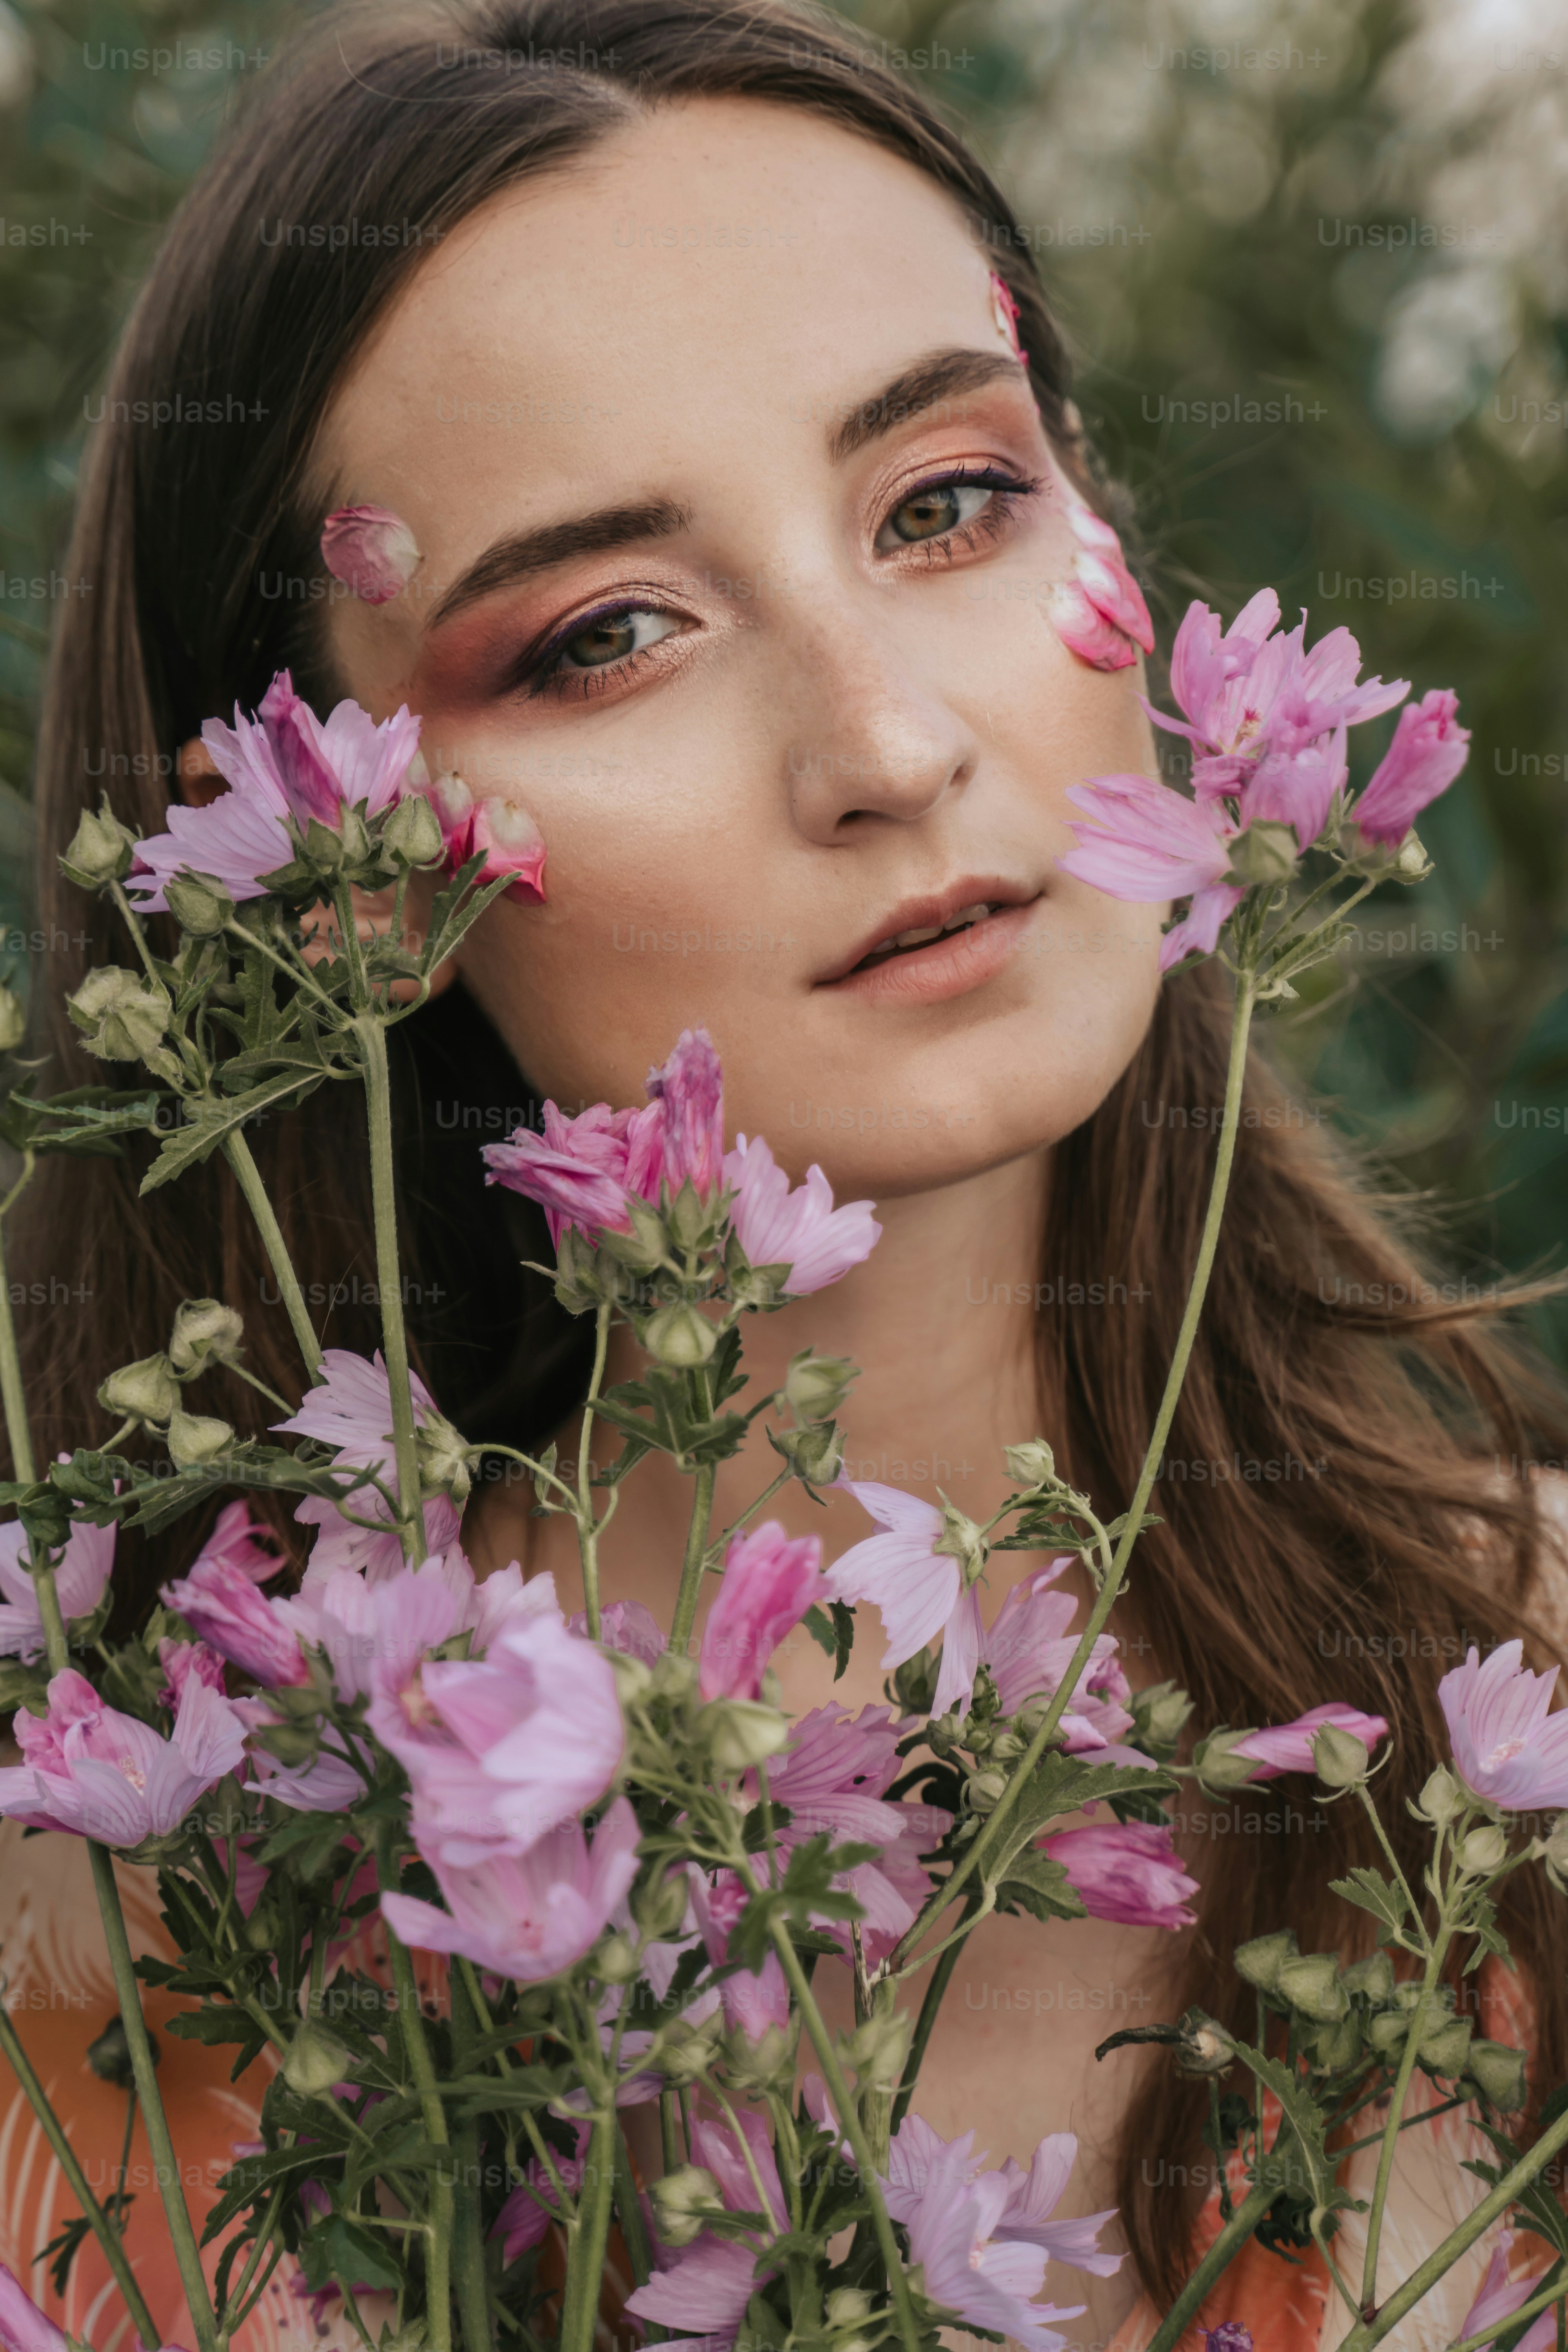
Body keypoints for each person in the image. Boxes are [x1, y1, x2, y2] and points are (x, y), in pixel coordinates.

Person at [6, 4, 1568, 2347]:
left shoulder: (1515, 1705)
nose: (891, 742)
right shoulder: (120, 1945)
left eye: (948, 500)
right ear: (326, 877)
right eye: (606, 635)